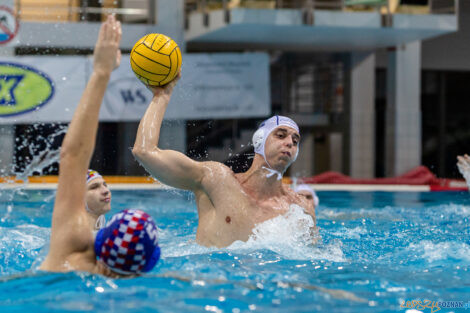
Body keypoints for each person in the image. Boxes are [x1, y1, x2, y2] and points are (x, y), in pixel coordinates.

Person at [40, 16, 160, 277]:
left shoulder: (73, 245)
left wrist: (101, 72)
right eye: (95, 186)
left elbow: (72, 155)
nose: (106, 191)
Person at [133, 85, 315, 247]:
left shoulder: (300, 208)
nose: (290, 143)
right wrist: (161, 97)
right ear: (259, 140)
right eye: (281, 135)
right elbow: (145, 152)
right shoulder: (216, 179)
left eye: (295, 140)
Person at [85, 169, 111, 233]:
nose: (106, 190)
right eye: (94, 187)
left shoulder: (100, 220)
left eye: (105, 185)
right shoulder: (74, 236)